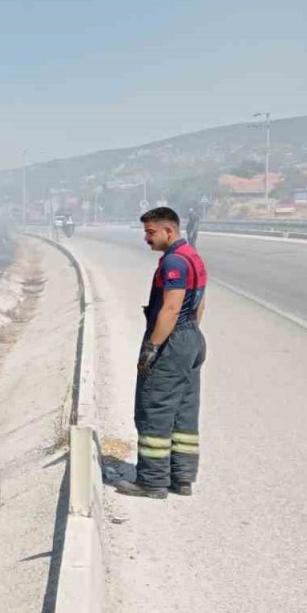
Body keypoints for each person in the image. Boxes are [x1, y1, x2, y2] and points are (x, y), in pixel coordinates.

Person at [116, 207, 208, 499]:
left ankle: (152, 482)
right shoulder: (193, 257)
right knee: (183, 411)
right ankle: (181, 478)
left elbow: (170, 308)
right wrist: (187, 339)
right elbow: (199, 305)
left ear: (169, 231)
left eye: (150, 232)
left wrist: (152, 347)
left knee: (154, 408)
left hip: (172, 340)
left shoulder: (174, 262)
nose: (146, 238)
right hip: (192, 336)